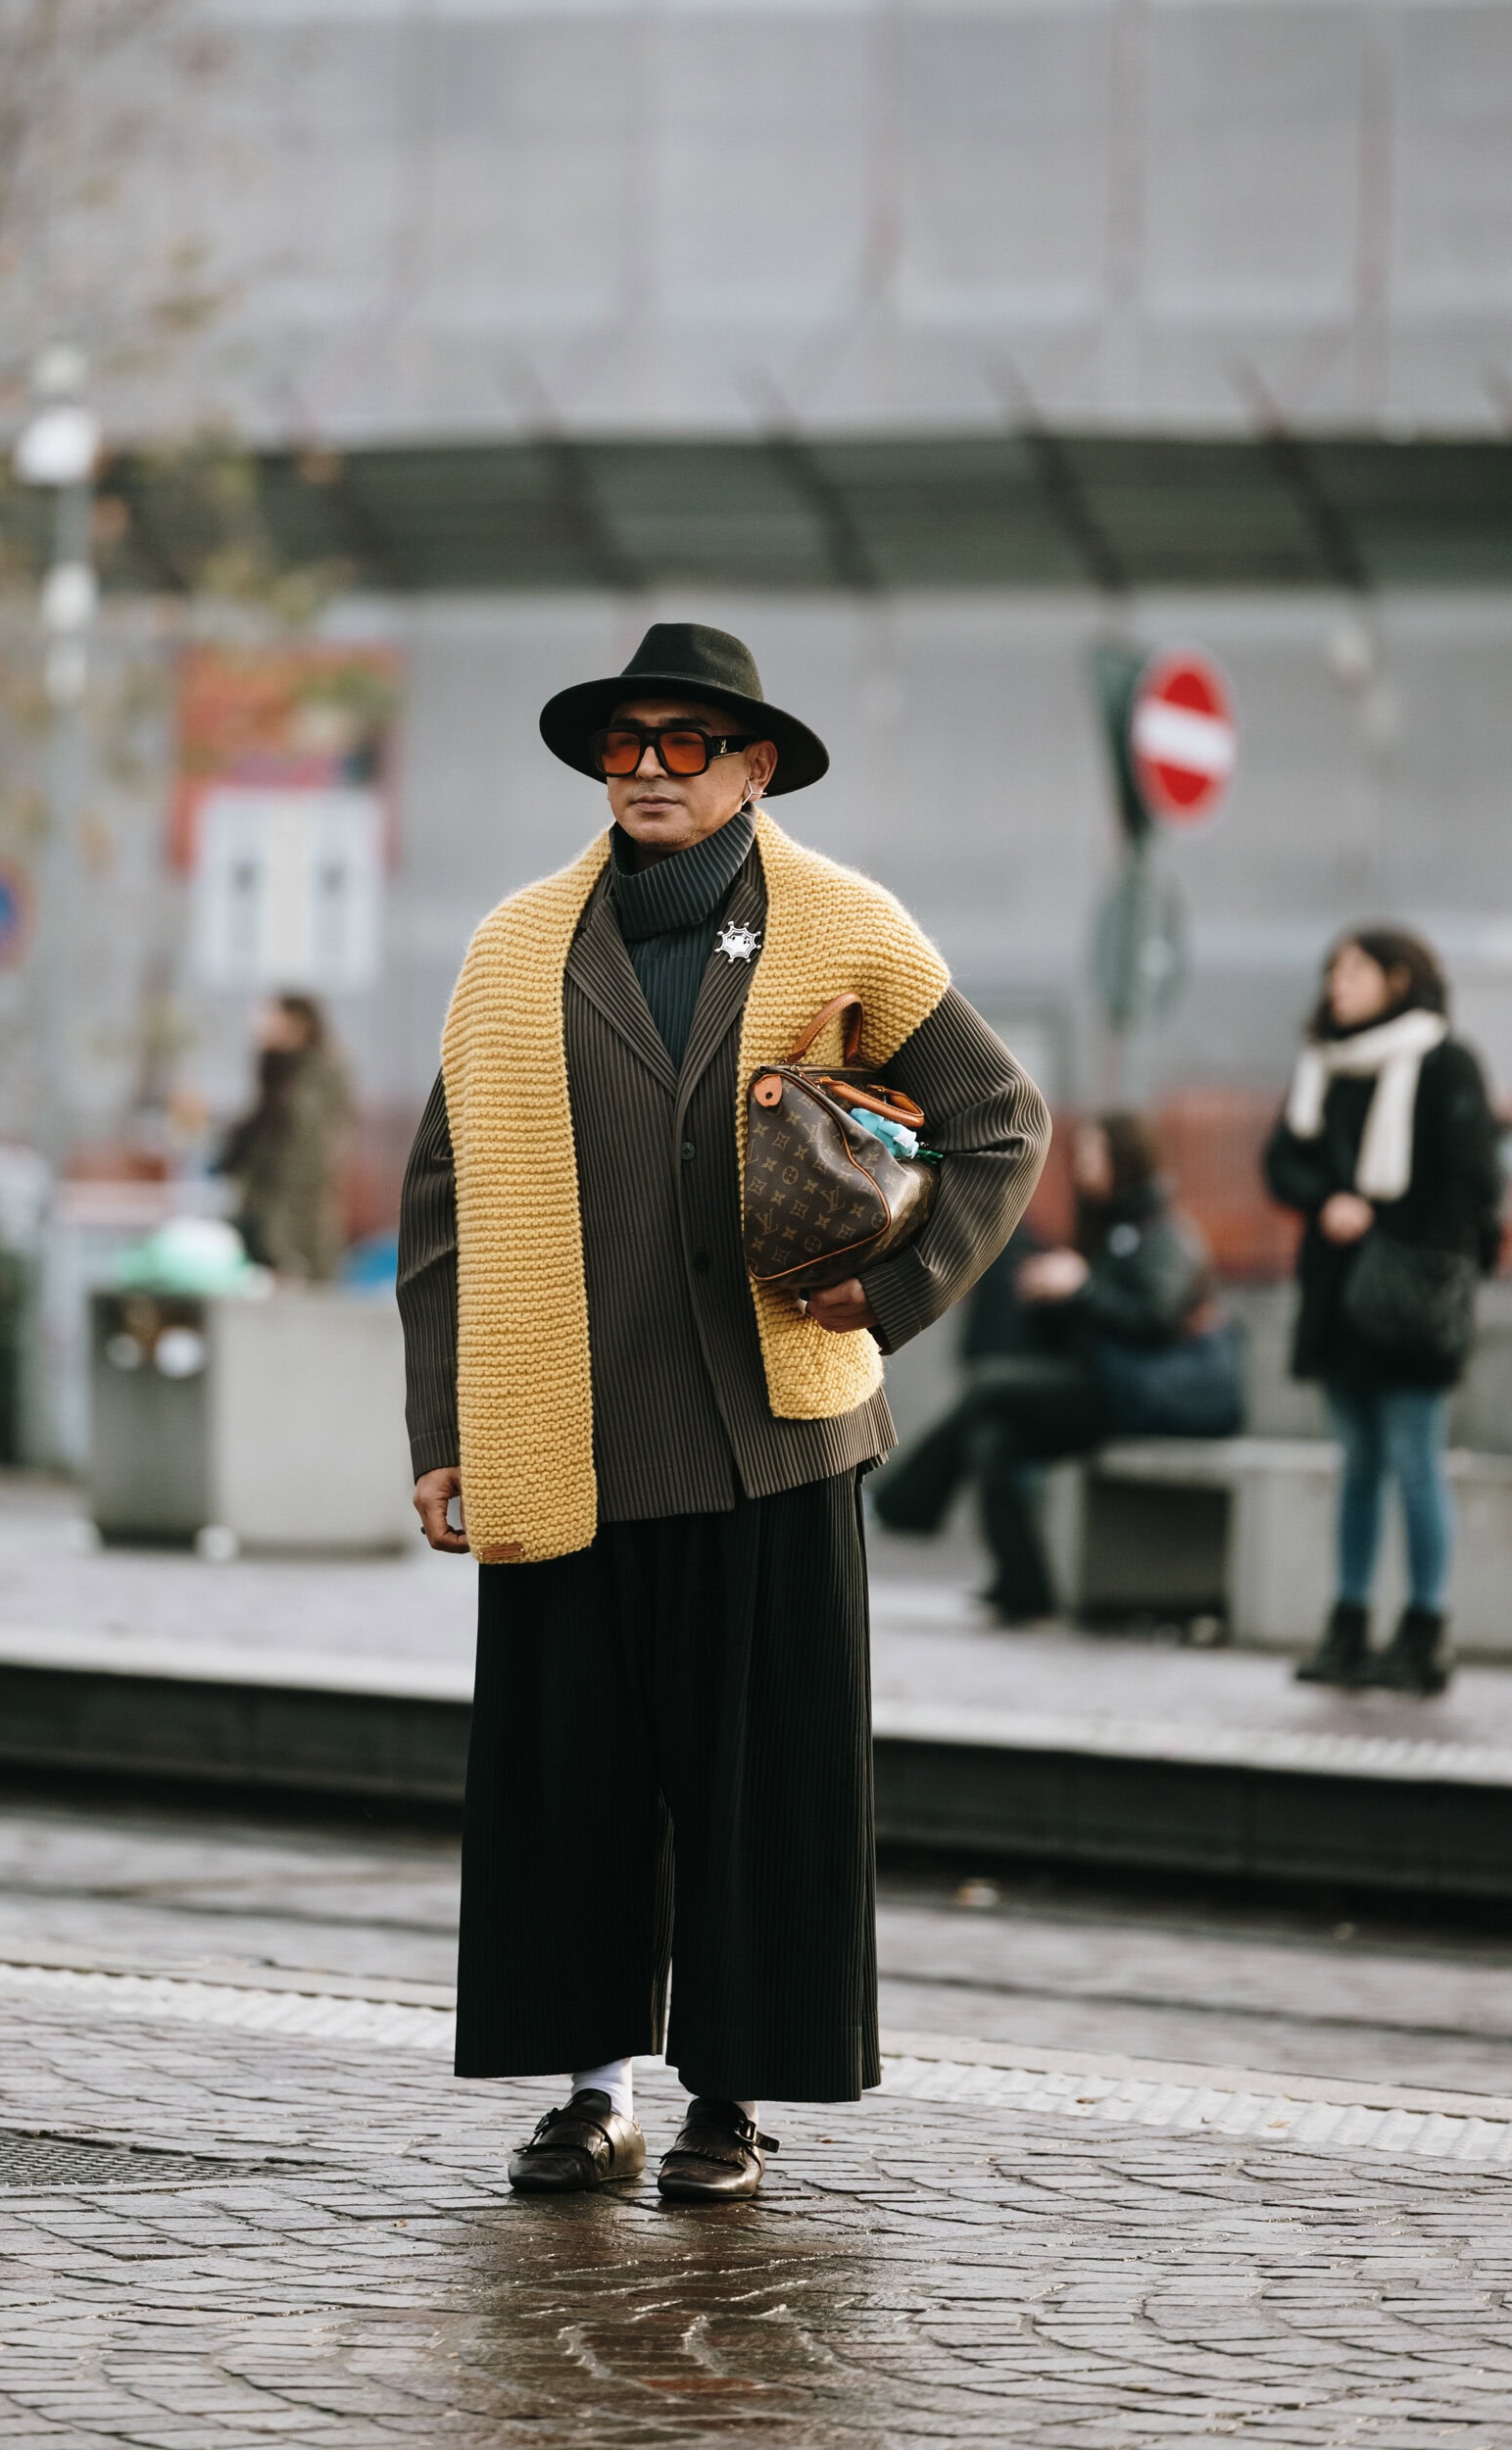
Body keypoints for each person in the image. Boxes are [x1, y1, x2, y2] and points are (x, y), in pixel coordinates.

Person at [397, 623, 1049, 2202]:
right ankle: (589, 2094)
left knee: (764, 1791)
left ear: (753, 767)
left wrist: (891, 1298)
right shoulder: (512, 949)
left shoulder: (844, 925)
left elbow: (996, 1122)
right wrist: (441, 1428)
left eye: (685, 744)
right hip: (566, 1436)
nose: (646, 771)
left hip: (773, 1440)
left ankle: (730, 2100)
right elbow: (440, 1204)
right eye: (624, 744)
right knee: (574, 1786)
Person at [874, 1112, 1241, 1623]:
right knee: (994, 1440)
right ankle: (1024, 1585)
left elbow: (1155, 1319)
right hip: (1110, 1388)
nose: (1084, 1166)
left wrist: (1080, 1288)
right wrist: (1053, 1295)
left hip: (1149, 1394)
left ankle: (900, 1505)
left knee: (990, 1388)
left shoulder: (1163, 1232)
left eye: (1095, 1154)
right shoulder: (1109, 1226)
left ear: (1125, 1159)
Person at [1265, 928, 1502, 1694]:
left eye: (1354, 970)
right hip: (1338, 1296)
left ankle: (1424, 1633)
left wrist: (1388, 1232)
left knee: (1412, 1461)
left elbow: (1471, 1182)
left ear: (1399, 979)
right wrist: (1326, 1199)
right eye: (1332, 969)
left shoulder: (1443, 1062)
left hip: (1409, 1300)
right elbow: (1282, 1159)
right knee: (1358, 1465)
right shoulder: (1324, 1065)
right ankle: (1348, 1625)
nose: (1336, 983)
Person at [219, 994, 353, 1282]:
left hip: (298, 1214)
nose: (261, 1027)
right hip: (259, 1206)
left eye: (272, 1019)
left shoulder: (321, 1072)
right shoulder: (274, 1069)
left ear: (297, 1025)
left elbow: (307, 1145)